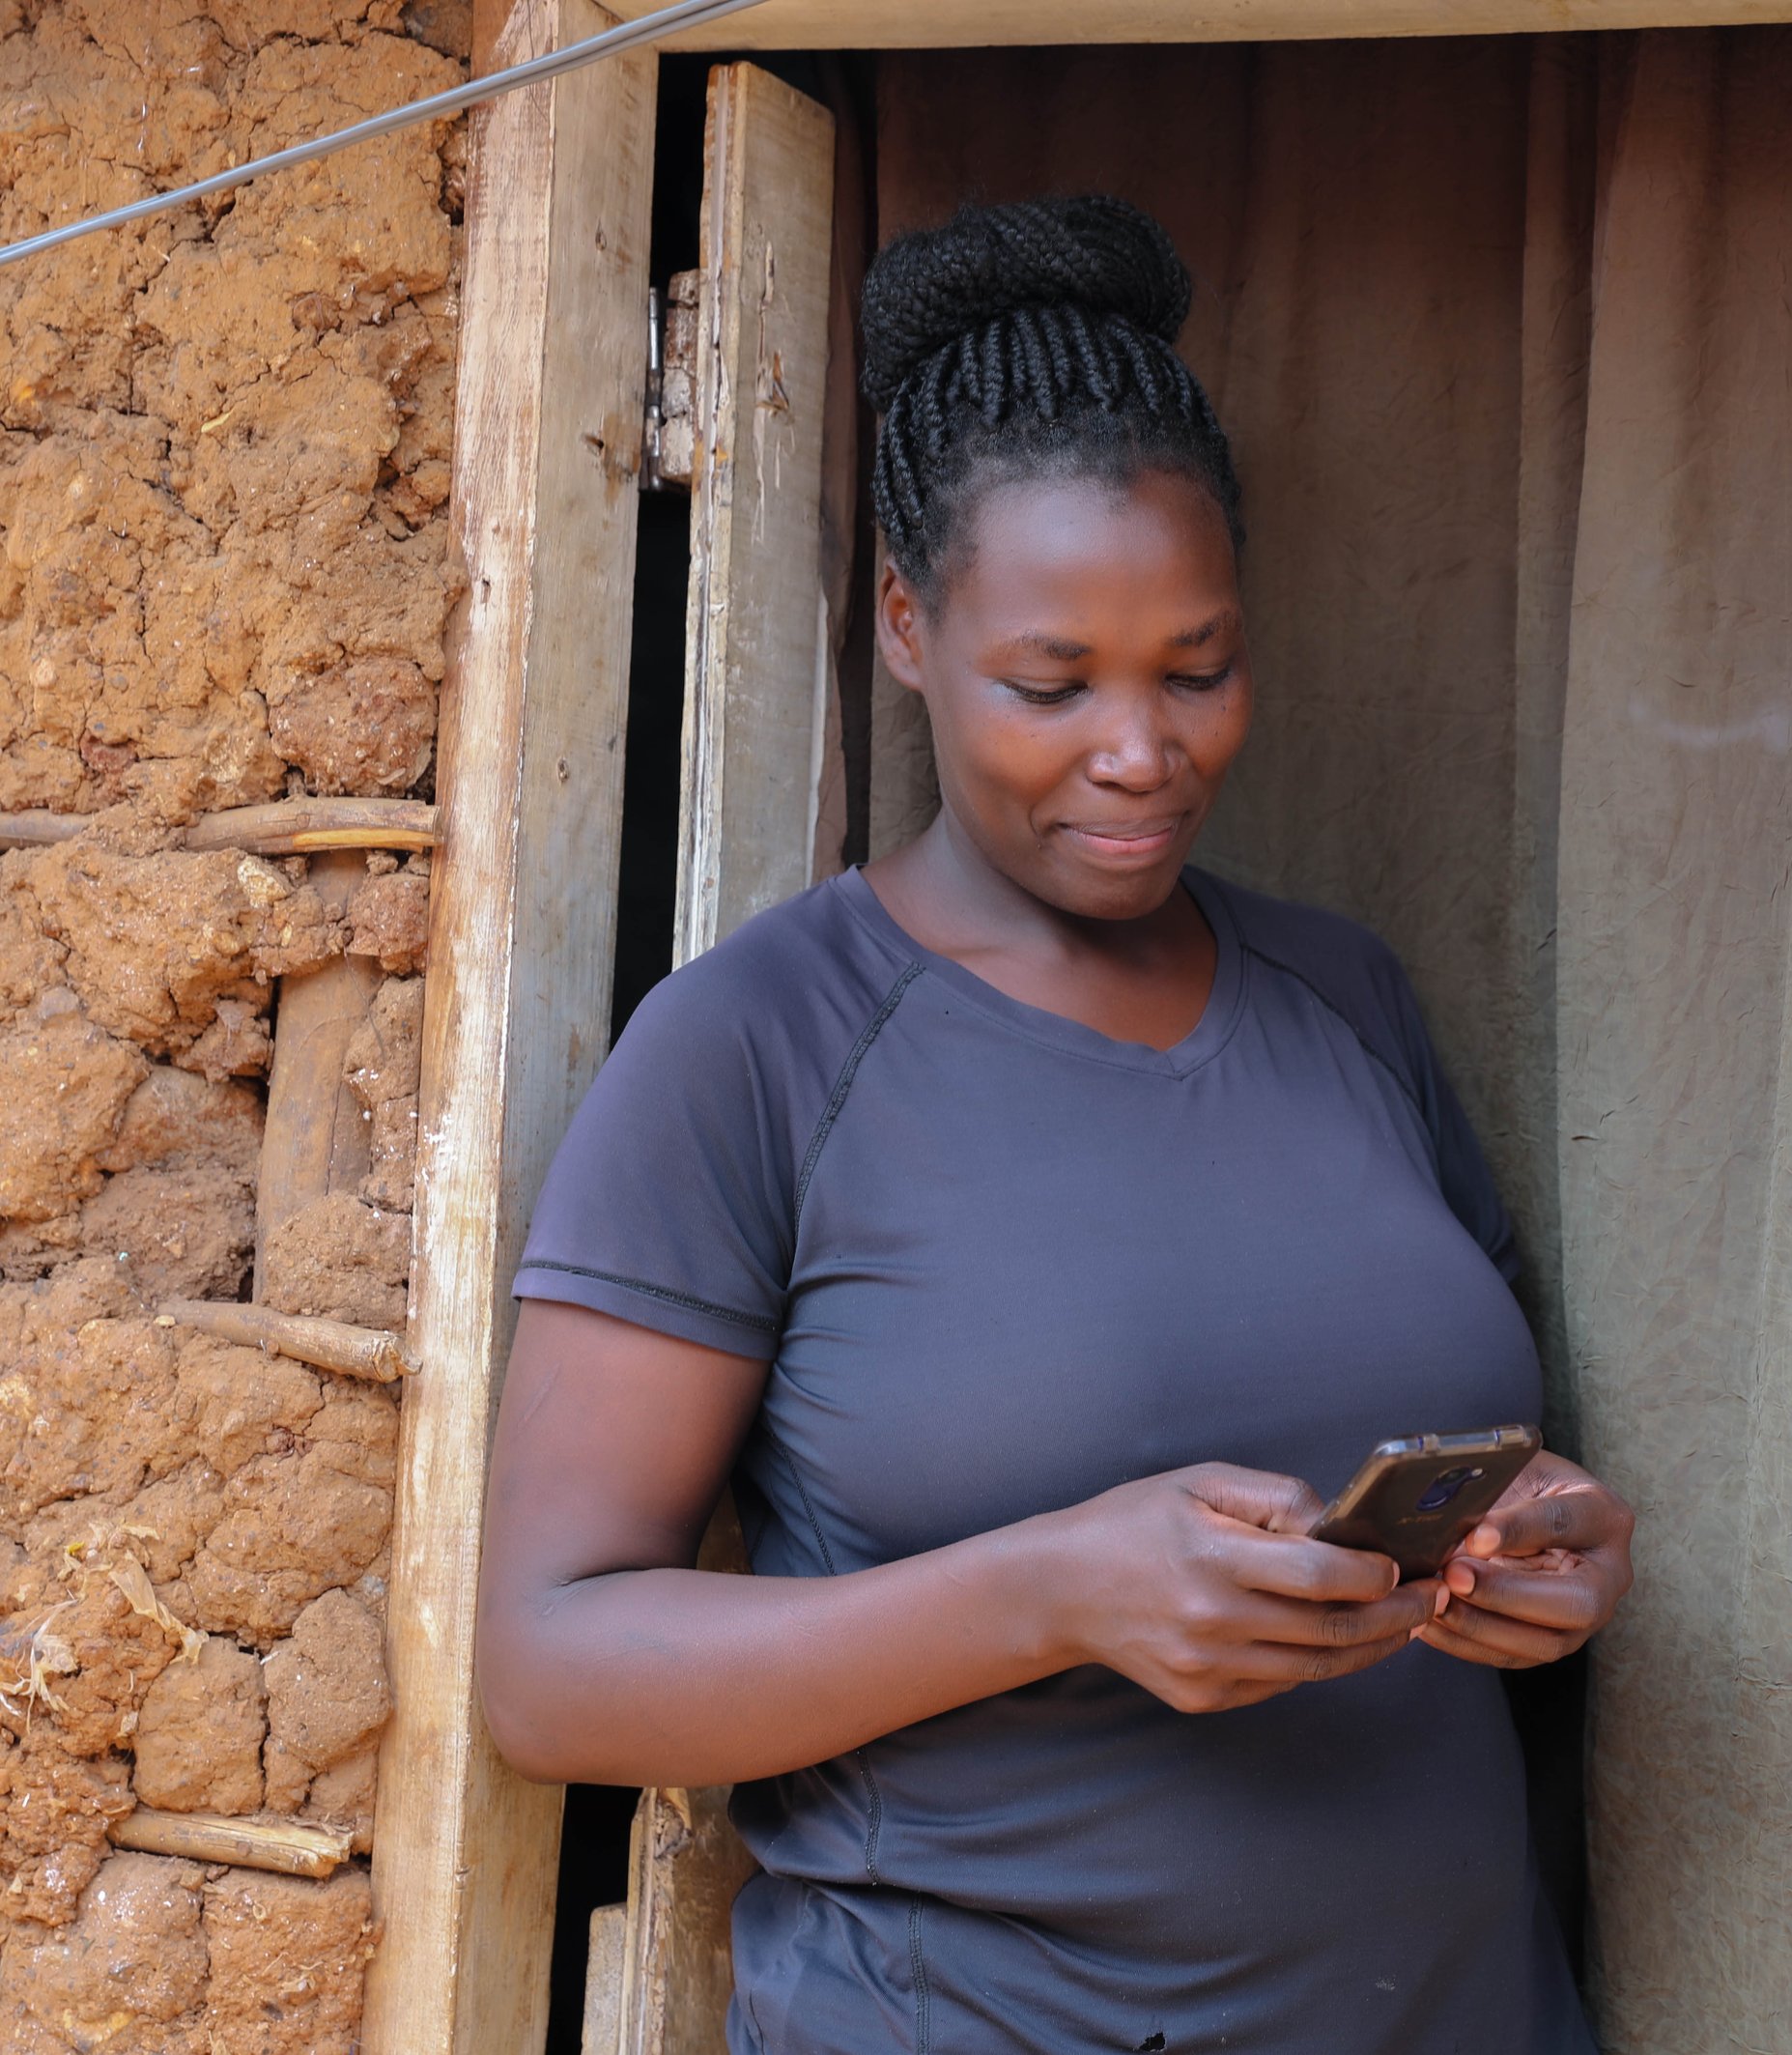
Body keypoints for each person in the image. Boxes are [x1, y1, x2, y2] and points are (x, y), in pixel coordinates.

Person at [476, 194, 1636, 2055]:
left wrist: (1546, 1540)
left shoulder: (1346, 1002)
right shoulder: (756, 1050)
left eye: (1196, 667)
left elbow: (1478, 1454)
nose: (1139, 749)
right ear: (910, 627)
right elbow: (551, 1670)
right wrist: (1050, 1592)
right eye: (1051, 683)